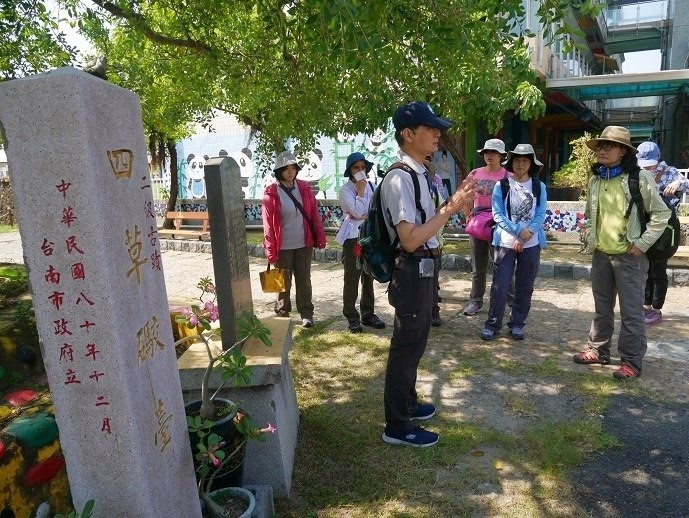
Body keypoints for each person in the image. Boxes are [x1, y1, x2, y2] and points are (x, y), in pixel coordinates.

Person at [380, 101, 475, 447]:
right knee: (405, 347)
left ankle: (407, 404)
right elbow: (410, 238)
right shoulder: (399, 179)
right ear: (408, 134)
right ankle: (397, 426)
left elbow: (428, 223)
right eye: (430, 128)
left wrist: (456, 204)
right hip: (412, 267)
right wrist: (450, 208)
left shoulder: (421, 173)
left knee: (415, 343)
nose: (438, 134)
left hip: (425, 266)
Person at [573, 126, 670, 380]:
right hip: (602, 254)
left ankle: (631, 361)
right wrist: (590, 238)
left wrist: (642, 244)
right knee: (601, 307)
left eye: (609, 146)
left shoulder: (639, 178)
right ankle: (598, 350)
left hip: (631, 256)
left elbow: (662, 214)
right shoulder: (596, 179)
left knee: (631, 312)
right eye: (600, 146)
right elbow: (592, 213)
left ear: (623, 151)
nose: (602, 151)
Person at [480, 144, 547, 341]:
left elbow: (541, 213)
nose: (520, 164)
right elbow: (497, 214)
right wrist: (518, 232)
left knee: (525, 286)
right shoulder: (502, 186)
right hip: (506, 242)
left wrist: (529, 232)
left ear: (530, 164)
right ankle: (493, 323)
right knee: (500, 285)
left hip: (531, 242)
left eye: (525, 160)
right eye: (517, 160)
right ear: (511, 162)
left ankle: (517, 323)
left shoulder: (538, 186)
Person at [262, 151, 327, 327]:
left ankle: (306, 314)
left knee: (304, 279)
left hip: (304, 243)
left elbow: (314, 215)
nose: (290, 172)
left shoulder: (305, 188)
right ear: (279, 170)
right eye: (286, 169)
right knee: (283, 281)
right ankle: (282, 313)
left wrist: (320, 237)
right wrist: (271, 251)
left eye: (293, 168)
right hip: (283, 246)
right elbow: (268, 225)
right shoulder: (271, 193)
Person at [636, 141, 689, 326]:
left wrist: (679, 182)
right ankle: (645, 305)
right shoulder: (638, 171)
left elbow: (687, 185)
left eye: (650, 163)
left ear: (658, 157)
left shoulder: (670, 171)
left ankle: (656, 309)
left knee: (658, 270)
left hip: (664, 230)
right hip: (644, 226)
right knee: (645, 268)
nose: (647, 167)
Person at [335, 152, 386, 333]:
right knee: (353, 275)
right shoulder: (346, 190)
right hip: (353, 237)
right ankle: (351, 315)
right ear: (350, 170)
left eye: (363, 167)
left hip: (369, 236)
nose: (360, 171)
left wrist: (366, 209)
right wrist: (361, 192)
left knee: (369, 275)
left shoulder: (373, 186)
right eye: (356, 168)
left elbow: (374, 210)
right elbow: (357, 212)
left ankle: (368, 313)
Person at [462, 139, 510, 316]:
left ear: (501, 156)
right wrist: (467, 215)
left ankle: (509, 302)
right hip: (477, 225)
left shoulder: (508, 177)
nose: (489, 155)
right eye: (487, 152)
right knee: (478, 267)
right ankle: (475, 301)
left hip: (499, 226)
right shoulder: (475, 173)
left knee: (502, 265)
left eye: (494, 152)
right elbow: (464, 195)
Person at [424, 154, 445, 327]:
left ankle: (432, 310)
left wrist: (438, 237)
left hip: (431, 245)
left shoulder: (433, 188)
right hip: (412, 245)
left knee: (430, 278)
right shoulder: (406, 185)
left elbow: (442, 210)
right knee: (419, 280)